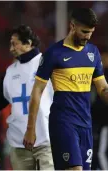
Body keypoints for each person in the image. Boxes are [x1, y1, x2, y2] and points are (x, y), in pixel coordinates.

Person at [23, 8, 108, 170]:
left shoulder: (93, 53)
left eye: (91, 32)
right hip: (63, 122)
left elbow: (103, 88)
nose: (87, 36)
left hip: (85, 124)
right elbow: (37, 91)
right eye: (84, 32)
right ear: (72, 26)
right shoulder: (54, 53)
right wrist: (30, 128)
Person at [3, 25, 54, 170]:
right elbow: (9, 99)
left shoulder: (46, 63)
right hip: (19, 143)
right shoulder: (10, 71)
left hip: (46, 138)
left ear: (28, 43)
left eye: (15, 43)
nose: (11, 49)